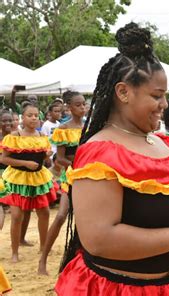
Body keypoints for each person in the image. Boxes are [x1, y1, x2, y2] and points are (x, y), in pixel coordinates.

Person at [55, 23, 169, 295]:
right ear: (123, 92)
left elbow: (165, 208)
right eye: (156, 95)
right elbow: (99, 239)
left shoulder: (167, 145)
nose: (165, 104)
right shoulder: (101, 152)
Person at [0, 103, 56, 263]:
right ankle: (14, 252)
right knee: (17, 216)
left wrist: (47, 155)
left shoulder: (41, 137)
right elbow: (4, 158)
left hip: (37, 178)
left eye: (36, 115)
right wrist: (25, 164)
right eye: (30, 115)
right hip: (18, 178)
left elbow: (44, 160)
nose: (33, 118)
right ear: (22, 118)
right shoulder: (14, 136)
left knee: (44, 212)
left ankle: (44, 246)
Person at [38, 90, 86, 275]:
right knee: (61, 216)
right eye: (78, 105)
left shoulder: (90, 127)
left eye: (84, 104)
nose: (82, 107)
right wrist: (77, 163)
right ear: (68, 107)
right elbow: (60, 160)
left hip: (89, 177)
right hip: (72, 176)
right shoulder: (63, 130)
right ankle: (43, 261)